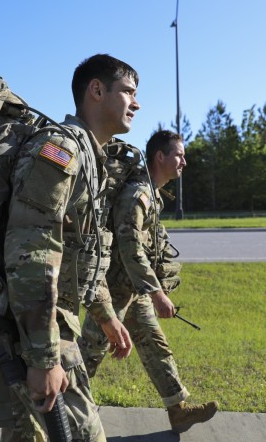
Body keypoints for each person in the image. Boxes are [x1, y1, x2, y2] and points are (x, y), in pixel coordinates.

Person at [0, 54, 140, 441]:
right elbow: (31, 253)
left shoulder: (89, 156)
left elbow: (81, 249)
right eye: (129, 92)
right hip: (30, 331)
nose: (136, 103)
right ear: (97, 90)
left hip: (38, 326)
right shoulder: (59, 151)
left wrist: (105, 314)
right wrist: (42, 357)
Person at [79, 130, 219, 434]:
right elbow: (130, 249)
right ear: (160, 156)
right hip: (112, 291)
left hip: (132, 290)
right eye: (179, 155)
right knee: (87, 356)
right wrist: (156, 293)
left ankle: (177, 411)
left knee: (155, 346)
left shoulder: (152, 193)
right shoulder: (137, 195)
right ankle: (50, 419)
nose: (184, 162)